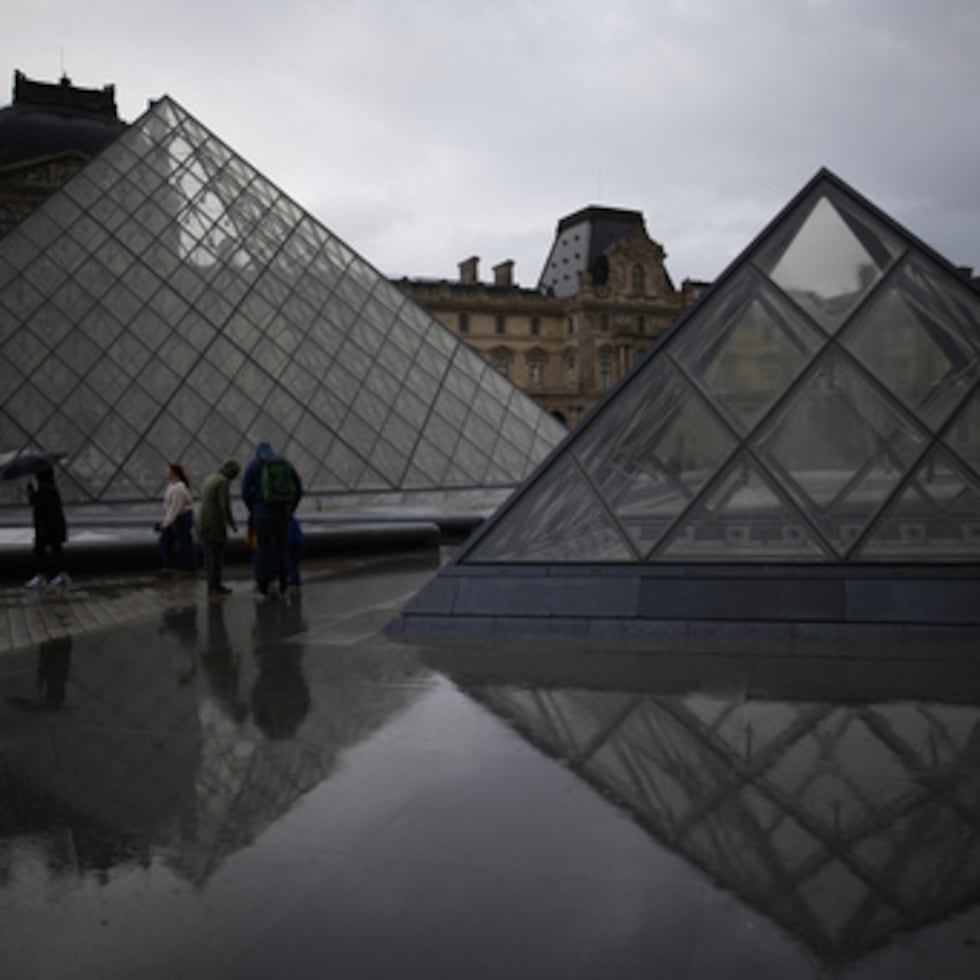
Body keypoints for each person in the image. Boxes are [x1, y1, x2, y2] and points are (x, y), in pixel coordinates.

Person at [240, 442, 302, 598]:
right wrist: (290, 509)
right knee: (282, 550)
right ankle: (284, 584)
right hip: (282, 515)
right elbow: (299, 489)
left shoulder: (254, 465)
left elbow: (245, 491)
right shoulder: (285, 464)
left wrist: (253, 509)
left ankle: (264, 586)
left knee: (263, 551)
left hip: (262, 516)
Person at [195, 458, 241, 597]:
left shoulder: (211, 478)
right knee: (216, 556)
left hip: (202, 521)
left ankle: (212, 585)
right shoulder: (223, 482)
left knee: (209, 555)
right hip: (214, 523)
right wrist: (232, 524)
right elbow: (224, 505)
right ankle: (215, 586)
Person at [25, 467, 70, 588]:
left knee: (39, 549)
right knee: (56, 549)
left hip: (47, 525)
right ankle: (61, 575)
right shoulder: (50, 487)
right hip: (55, 525)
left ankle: (42, 577)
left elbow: (37, 505)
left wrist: (31, 492)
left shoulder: (45, 489)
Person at [157, 463, 195, 574]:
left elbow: (176, 508)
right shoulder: (172, 486)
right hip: (176, 517)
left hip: (181, 518)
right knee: (165, 542)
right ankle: (169, 566)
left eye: (168, 471)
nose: (166, 473)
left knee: (184, 544)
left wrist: (166, 523)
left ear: (174, 473)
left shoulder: (178, 488)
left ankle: (188, 569)